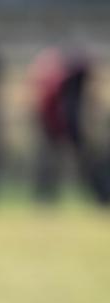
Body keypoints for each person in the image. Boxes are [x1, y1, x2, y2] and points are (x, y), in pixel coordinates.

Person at [29, 47, 110, 206]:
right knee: (57, 164)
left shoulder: (57, 81)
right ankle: (100, 194)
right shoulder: (62, 83)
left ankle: (46, 196)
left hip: (60, 126)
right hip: (59, 127)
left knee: (57, 164)